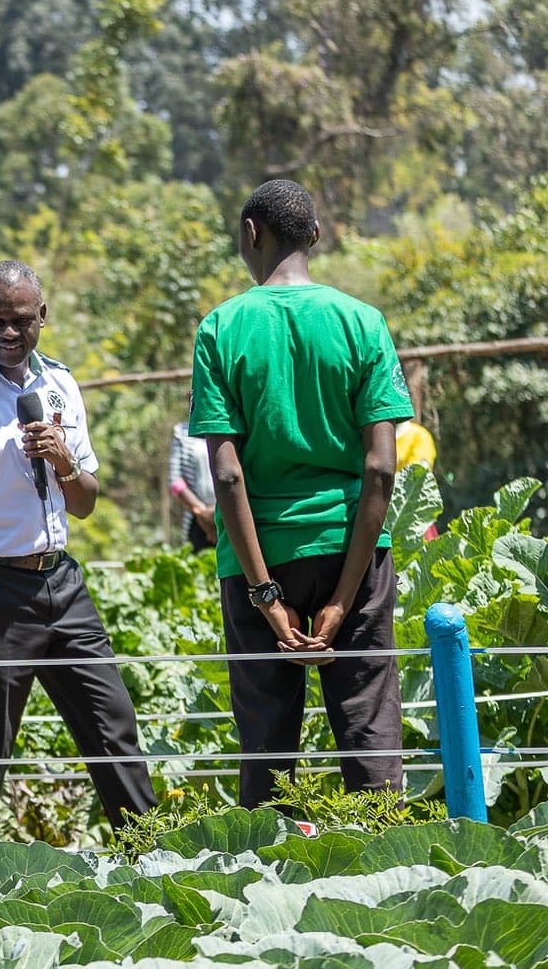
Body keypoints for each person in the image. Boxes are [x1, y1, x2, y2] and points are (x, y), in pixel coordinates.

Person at [0, 261, 157, 834]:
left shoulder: (61, 384)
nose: (8, 332)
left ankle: (149, 856)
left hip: (60, 581)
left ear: (42, 317)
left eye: (21, 320)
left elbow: (85, 500)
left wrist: (64, 459)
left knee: (113, 726)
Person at [190, 179, 411, 808]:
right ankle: (391, 875)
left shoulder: (221, 329)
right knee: (369, 731)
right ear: (314, 237)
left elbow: (228, 477)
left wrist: (266, 596)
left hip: (259, 559)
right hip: (352, 553)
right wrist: (343, 600)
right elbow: (380, 471)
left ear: (251, 235)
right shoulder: (362, 323)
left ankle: (268, 886)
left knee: (266, 745)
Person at [169, 418, 217, 552]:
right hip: (197, 521)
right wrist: (203, 514)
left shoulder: (230, 426)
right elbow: (176, 482)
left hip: (229, 515)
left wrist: (218, 511)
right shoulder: (181, 433)